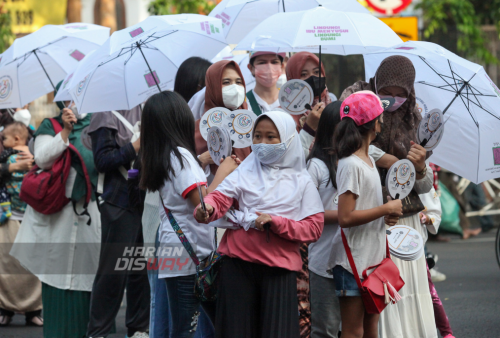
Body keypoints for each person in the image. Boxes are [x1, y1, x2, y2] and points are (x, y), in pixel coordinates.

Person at [195, 110, 325, 338]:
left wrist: (277, 223)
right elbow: (221, 197)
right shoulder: (244, 170)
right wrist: (207, 207)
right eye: (257, 136)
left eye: (271, 137)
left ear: (287, 139)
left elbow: (314, 228)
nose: (262, 143)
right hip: (237, 267)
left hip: (278, 272)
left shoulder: (302, 181)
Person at [340, 55, 435, 338]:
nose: (393, 100)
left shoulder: (416, 120)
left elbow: (426, 184)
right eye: (386, 92)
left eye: (400, 94)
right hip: (369, 216)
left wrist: (418, 168)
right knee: (376, 303)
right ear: (376, 84)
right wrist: (393, 160)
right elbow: (349, 144)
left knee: (407, 291)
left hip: (405, 220)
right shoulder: (358, 101)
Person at [140, 91, 239, 338]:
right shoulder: (181, 156)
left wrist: (201, 161)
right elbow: (204, 209)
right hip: (190, 258)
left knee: (200, 325)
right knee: (186, 330)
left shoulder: (165, 156)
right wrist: (223, 172)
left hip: (180, 255)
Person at [11, 93, 101, 338]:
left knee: (84, 280)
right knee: (55, 277)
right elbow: (42, 158)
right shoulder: (50, 125)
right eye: (70, 97)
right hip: (55, 217)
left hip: (88, 215)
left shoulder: (99, 124)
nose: (76, 103)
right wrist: (65, 133)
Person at [328, 91, 403, 338]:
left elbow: (362, 208)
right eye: (380, 116)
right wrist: (385, 209)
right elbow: (346, 217)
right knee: (353, 331)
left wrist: (386, 215)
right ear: (374, 122)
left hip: (372, 258)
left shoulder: (368, 158)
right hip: (352, 263)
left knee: (372, 328)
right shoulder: (351, 164)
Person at [86, 104, 150, 338]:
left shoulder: (148, 107)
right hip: (118, 200)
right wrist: (136, 145)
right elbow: (102, 160)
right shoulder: (105, 112)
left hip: (147, 199)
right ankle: (98, 332)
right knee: (113, 270)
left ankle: (139, 328)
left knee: (141, 268)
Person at [285, 51, 331, 337]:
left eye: (317, 72)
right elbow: (288, 168)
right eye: (304, 75)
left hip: (330, 217)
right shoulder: (283, 118)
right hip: (297, 218)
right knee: (302, 300)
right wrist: (309, 129)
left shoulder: (334, 106)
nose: (312, 79)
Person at [306, 101, 342, 338]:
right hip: (323, 262)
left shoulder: (358, 163)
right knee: (325, 330)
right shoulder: (316, 166)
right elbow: (311, 215)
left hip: (353, 260)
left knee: (351, 329)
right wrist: (349, 217)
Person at [0, 122, 41, 327]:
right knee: (6, 265)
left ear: (16, 139)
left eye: (4, 139)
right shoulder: (8, 158)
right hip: (10, 218)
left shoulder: (37, 156)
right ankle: (6, 309)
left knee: (28, 266)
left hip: (29, 218)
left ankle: (33, 310)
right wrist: (13, 167)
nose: (2, 143)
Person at [195, 60, 252, 175]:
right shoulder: (197, 131)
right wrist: (201, 160)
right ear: (213, 86)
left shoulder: (252, 124)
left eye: (239, 82)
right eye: (226, 82)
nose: (235, 88)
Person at [419, 189, 456, 338]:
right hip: (385, 245)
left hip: (414, 246)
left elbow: (434, 214)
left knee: (428, 291)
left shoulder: (422, 174)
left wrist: (425, 218)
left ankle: (447, 333)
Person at [245, 51, 285, 116]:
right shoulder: (244, 103)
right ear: (251, 68)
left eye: (274, 62)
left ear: (282, 66)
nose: (269, 67)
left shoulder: (291, 100)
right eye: (262, 63)